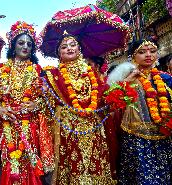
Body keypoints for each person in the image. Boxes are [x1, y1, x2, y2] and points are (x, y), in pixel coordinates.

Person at [0, 21, 54, 185]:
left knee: (30, 161)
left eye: (29, 44)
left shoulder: (39, 70)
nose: (25, 46)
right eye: (21, 42)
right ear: (13, 45)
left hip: (30, 124)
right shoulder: (1, 69)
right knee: (10, 162)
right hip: (8, 124)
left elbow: (48, 98)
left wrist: (36, 104)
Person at [43, 34, 116, 184]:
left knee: (96, 161)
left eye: (72, 45)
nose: (69, 48)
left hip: (92, 126)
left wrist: (116, 96)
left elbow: (102, 96)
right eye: (64, 47)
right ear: (59, 54)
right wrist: (44, 91)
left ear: (79, 49)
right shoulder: (53, 75)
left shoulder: (91, 72)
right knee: (73, 163)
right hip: (68, 127)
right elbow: (48, 103)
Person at [107, 38, 172, 184]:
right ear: (133, 56)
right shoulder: (125, 77)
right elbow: (113, 102)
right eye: (142, 52)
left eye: (152, 51)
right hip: (136, 137)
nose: (148, 55)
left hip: (163, 134)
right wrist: (129, 80)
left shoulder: (164, 78)